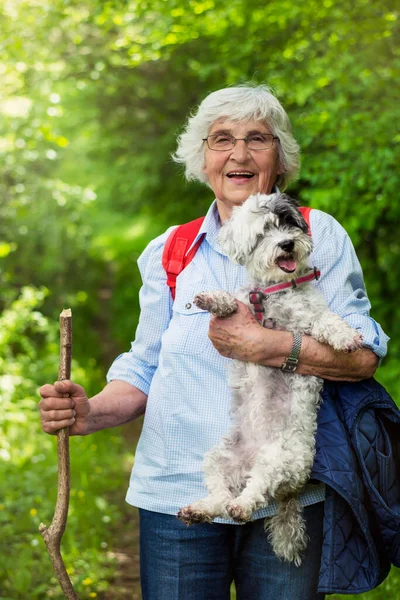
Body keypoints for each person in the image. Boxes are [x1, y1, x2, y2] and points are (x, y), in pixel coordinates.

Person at [39, 85, 388, 600]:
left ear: (280, 158)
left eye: (257, 139)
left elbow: (363, 357)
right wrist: (89, 412)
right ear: (203, 159)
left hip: (289, 489)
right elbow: (145, 366)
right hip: (177, 493)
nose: (239, 154)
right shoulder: (169, 251)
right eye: (221, 139)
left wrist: (267, 345)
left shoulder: (318, 234)